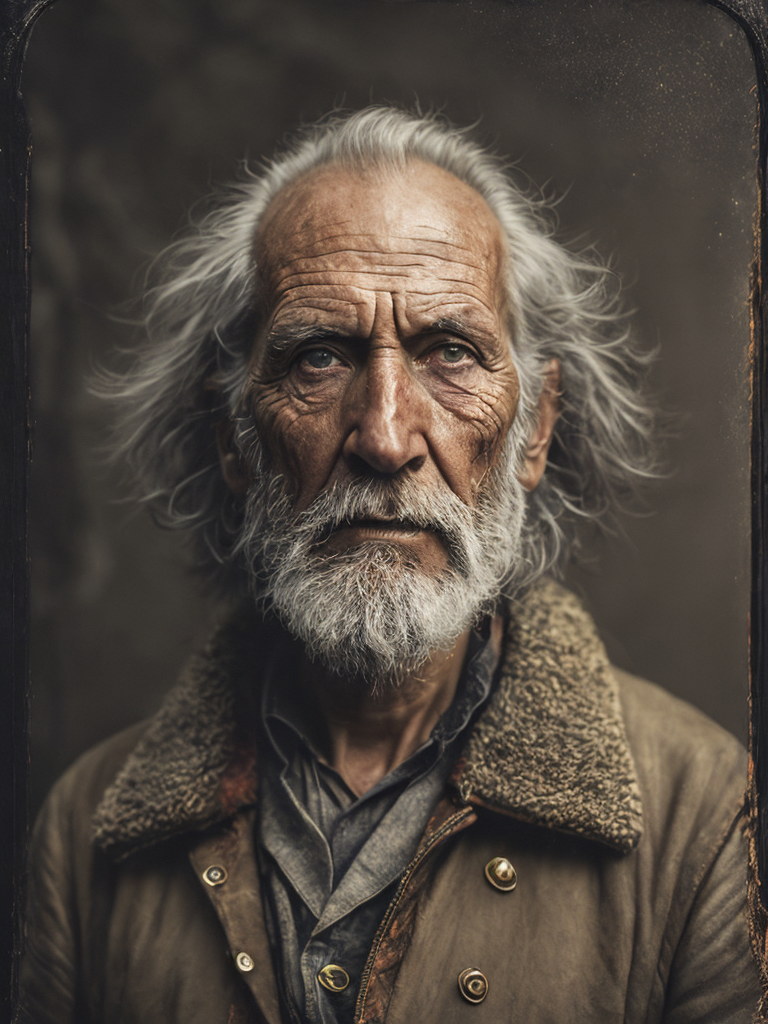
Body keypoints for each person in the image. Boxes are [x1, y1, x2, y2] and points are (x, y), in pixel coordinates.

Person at [19, 106, 761, 1024]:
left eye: (450, 353)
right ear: (233, 439)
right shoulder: (84, 828)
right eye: (318, 357)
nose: (383, 435)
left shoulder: (700, 807)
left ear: (534, 428)